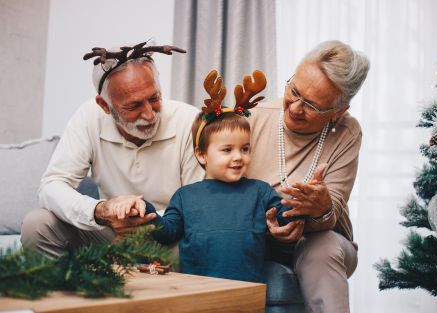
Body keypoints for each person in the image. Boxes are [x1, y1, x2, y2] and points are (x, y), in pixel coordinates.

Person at [21, 41, 204, 256]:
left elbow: (198, 204)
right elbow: (51, 186)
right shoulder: (88, 117)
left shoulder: (191, 121)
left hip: (171, 236)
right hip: (112, 233)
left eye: (154, 98)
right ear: (104, 106)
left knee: (204, 242)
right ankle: (75, 288)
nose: (150, 114)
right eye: (134, 105)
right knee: (37, 224)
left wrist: (142, 219)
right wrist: (100, 211)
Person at [144, 70, 302, 282]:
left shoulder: (260, 191)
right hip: (198, 292)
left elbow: (285, 216)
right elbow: (167, 233)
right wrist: (146, 210)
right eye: (227, 150)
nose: (238, 157)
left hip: (248, 292)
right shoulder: (185, 196)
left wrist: (297, 208)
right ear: (201, 154)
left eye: (245, 149)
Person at [246, 40, 370, 313]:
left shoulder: (347, 131)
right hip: (256, 232)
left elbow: (334, 208)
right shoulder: (254, 118)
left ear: (338, 112)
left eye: (311, 105)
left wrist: (319, 209)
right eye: (294, 90)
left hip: (321, 237)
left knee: (322, 248)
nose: (294, 108)